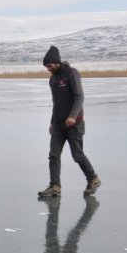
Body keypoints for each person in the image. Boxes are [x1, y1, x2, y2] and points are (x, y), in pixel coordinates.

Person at [38, 45, 101, 198]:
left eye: (49, 66)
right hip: (59, 125)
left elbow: (79, 96)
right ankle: (55, 186)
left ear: (57, 62)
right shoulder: (52, 79)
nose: (48, 69)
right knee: (53, 155)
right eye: (46, 67)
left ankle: (93, 179)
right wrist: (52, 122)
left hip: (75, 123)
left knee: (77, 155)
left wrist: (72, 116)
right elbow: (56, 102)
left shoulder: (71, 73)